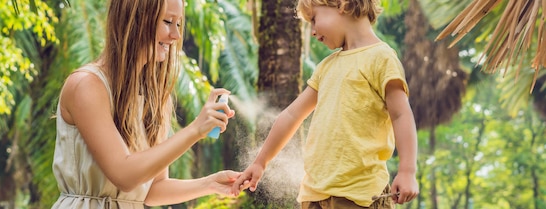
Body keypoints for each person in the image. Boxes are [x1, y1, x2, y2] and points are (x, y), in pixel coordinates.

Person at [231, 0, 419, 208]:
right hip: (314, 196)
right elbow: (291, 115)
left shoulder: (381, 58)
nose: (312, 31)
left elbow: (401, 115)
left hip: (359, 196)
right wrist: (260, 162)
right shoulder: (325, 67)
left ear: (342, 5)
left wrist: (407, 171)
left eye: (313, 20)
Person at [51, 0, 237, 208]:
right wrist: (195, 129)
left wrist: (210, 183)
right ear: (135, 19)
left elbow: (151, 190)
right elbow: (124, 175)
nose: (175, 36)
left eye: (178, 24)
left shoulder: (154, 98)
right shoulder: (86, 85)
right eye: (167, 21)